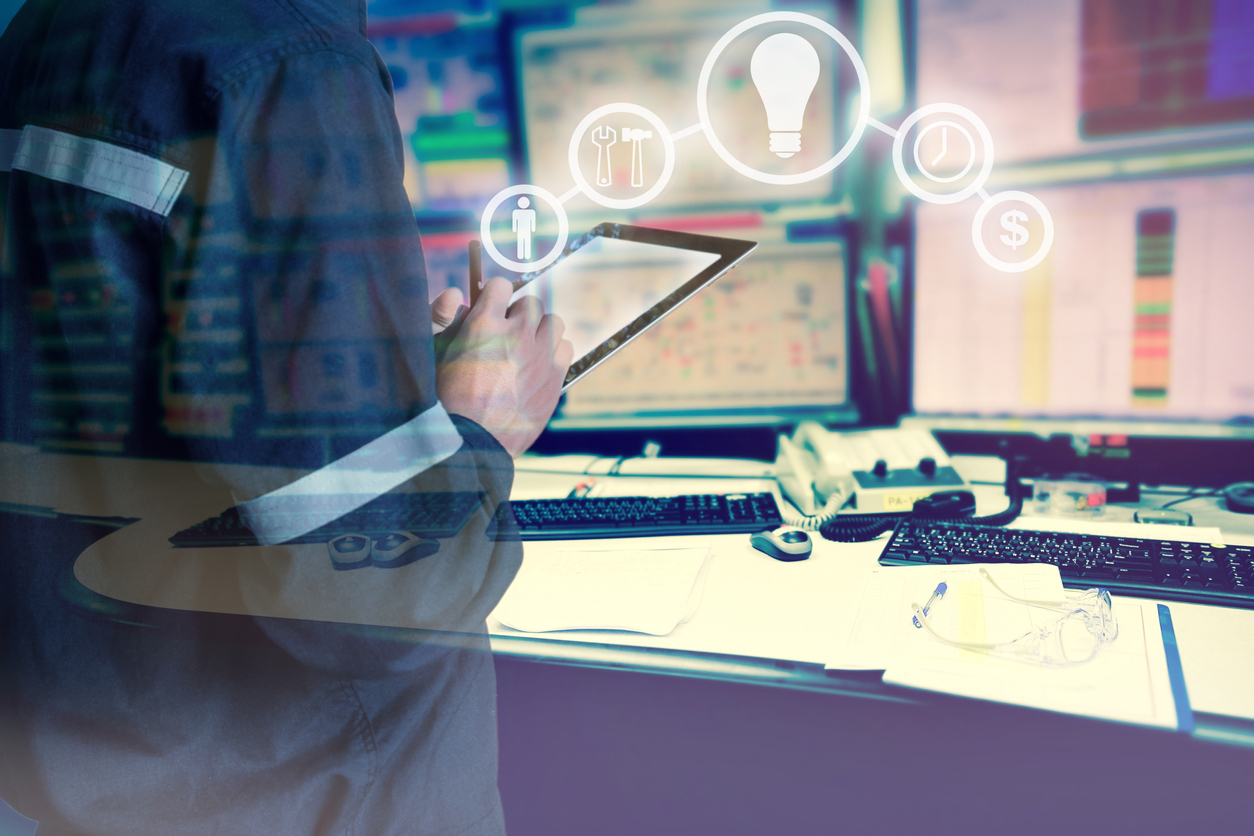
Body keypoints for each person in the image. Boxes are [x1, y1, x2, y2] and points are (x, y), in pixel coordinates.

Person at [0, 1, 571, 834]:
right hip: (313, 791)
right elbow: (380, 587)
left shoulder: (42, 34)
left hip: (94, 785)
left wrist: (387, 386)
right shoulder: (287, 63)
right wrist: (479, 428)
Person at [512, 196, 537, 261]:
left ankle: (527, 255)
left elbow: (533, 221)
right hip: (520, 231)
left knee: (527, 242)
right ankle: (521, 255)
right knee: (521, 243)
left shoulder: (531, 212)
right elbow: (515, 221)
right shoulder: (516, 212)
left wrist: (533, 229)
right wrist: (515, 229)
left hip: (528, 230)